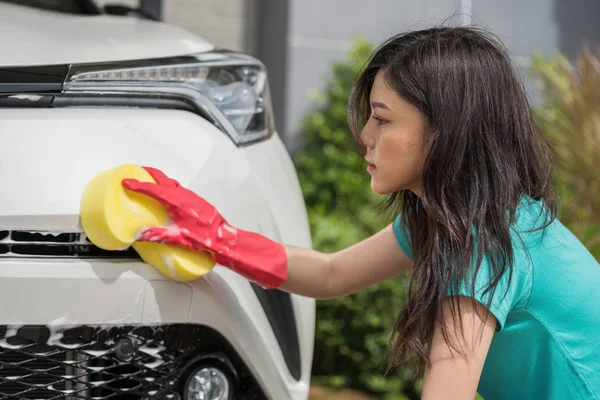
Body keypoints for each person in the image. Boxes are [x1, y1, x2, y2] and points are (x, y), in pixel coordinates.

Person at [121, 26, 600, 400]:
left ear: (447, 133)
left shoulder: (486, 244)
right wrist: (220, 238)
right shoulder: (456, 221)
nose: (364, 135)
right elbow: (332, 273)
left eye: (383, 119)